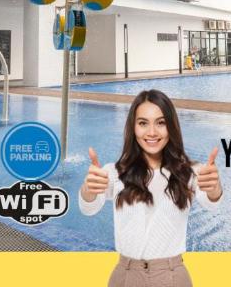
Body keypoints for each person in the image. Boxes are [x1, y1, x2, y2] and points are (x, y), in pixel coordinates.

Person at [80, 89, 222, 287]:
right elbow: (89, 207)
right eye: (143, 123)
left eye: (161, 123)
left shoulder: (189, 172)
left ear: (171, 127)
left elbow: (212, 201)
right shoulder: (114, 172)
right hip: (126, 275)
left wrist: (214, 187)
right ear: (134, 128)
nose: (152, 132)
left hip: (172, 277)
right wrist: (89, 189)